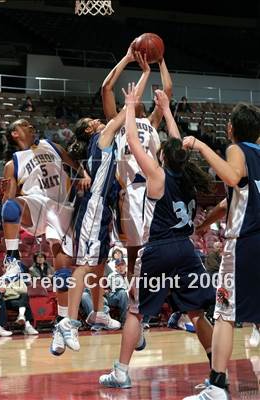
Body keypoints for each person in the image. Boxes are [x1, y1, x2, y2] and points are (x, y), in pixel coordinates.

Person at [99, 83, 215, 389]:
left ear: (162, 156)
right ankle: (217, 375)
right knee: (197, 312)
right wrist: (165, 110)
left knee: (136, 311)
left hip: (160, 249)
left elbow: (134, 142)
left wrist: (129, 106)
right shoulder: (187, 175)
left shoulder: (157, 175)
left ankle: (121, 372)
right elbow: (178, 146)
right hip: (187, 251)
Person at [55, 53, 151, 354]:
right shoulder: (104, 136)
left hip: (103, 208)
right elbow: (122, 106)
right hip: (95, 207)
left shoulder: (103, 140)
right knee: (85, 264)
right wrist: (142, 76)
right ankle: (67, 323)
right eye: (94, 122)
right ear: (90, 131)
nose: (100, 121)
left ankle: (96, 311)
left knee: (97, 263)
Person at [182, 102, 260, 400]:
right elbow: (230, 201)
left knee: (225, 314)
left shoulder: (236, 150)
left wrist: (202, 146)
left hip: (245, 242)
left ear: (231, 129)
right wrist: (206, 225)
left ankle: (216, 386)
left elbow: (232, 176)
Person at [1, 118, 85, 329]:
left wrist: (85, 175)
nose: (30, 126)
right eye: (24, 124)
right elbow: (7, 204)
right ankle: (12, 260)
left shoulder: (51, 145)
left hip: (61, 207)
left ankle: (63, 320)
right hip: (36, 203)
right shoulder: (13, 163)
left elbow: (73, 163)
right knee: (10, 207)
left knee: (63, 274)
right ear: (15, 134)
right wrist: (7, 193)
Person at [101, 45, 172, 277]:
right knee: (134, 252)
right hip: (129, 192)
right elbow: (107, 88)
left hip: (154, 190)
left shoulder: (152, 121)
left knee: (158, 247)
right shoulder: (118, 122)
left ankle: (157, 297)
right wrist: (126, 58)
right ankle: (134, 299)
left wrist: (160, 60)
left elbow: (168, 89)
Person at [2, 268, 38, 335]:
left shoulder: (18, 280)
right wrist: (16, 289)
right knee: (26, 305)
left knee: (24, 296)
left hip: (19, 299)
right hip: (7, 300)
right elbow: (3, 292)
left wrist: (12, 287)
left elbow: (24, 290)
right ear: (3, 270)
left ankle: (22, 317)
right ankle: (27, 326)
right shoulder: (1, 280)